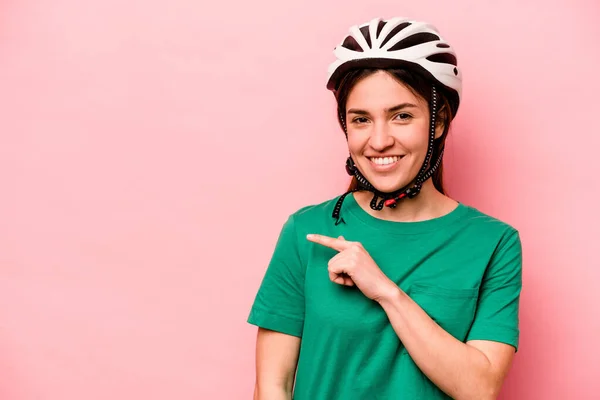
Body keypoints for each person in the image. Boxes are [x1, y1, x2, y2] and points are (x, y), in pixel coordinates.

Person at [247, 16, 522, 400]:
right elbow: (272, 386)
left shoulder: (494, 243)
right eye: (361, 120)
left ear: (438, 121)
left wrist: (385, 291)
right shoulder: (305, 230)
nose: (379, 140)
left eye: (402, 116)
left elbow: (478, 389)